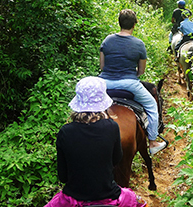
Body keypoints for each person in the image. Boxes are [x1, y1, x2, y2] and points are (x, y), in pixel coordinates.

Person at [44, 77, 147, 207]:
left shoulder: (65, 131)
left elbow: (63, 177)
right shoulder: (112, 127)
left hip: (74, 198)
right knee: (141, 203)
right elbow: (116, 160)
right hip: (110, 196)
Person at [99, 9, 166, 156]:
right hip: (129, 84)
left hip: (104, 83)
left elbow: (102, 66)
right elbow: (141, 71)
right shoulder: (139, 44)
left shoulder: (107, 40)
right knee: (151, 105)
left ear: (119, 23)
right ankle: (153, 142)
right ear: (134, 25)